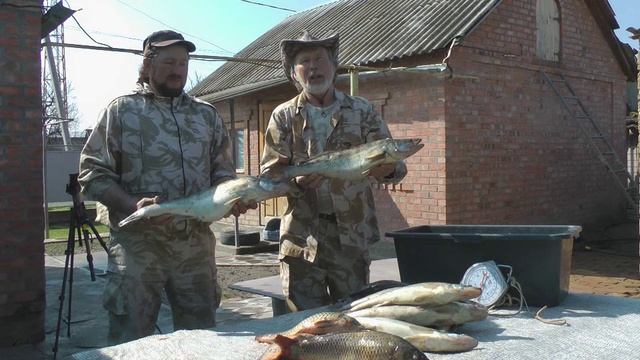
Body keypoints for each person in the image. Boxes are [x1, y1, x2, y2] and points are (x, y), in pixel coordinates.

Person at [78, 30, 253, 344]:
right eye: (169, 61)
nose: (178, 70)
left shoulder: (206, 115)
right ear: (147, 65)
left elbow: (223, 175)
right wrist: (133, 206)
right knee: (131, 339)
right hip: (137, 249)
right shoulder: (122, 112)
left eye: (184, 63)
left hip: (194, 247)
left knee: (202, 338)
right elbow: (91, 173)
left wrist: (233, 197)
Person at [260, 31, 408, 311]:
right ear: (294, 72)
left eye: (320, 59)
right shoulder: (283, 116)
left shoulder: (362, 111)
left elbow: (397, 168)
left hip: (351, 240)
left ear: (334, 64)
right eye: (304, 61)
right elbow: (271, 176)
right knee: (305, 326)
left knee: (354, 319)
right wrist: (298, 183)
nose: (313, 67)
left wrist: (386, 169)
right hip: (301, 241)